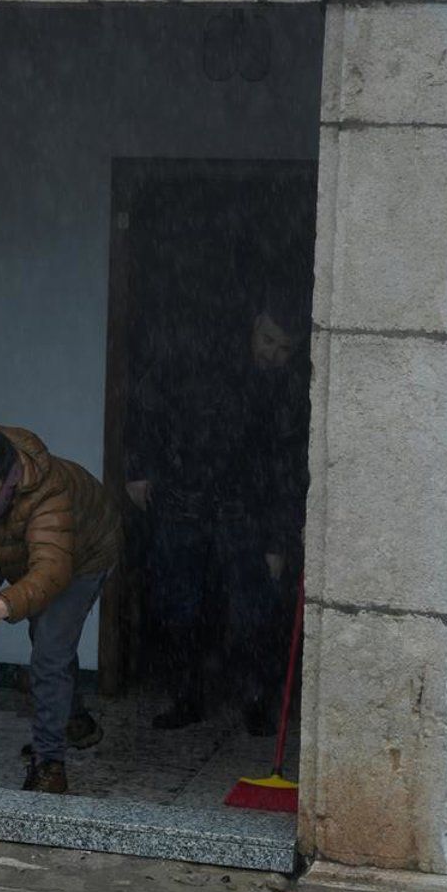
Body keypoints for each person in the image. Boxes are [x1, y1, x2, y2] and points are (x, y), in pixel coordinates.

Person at [125, 293, 310, 734]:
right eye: (268, 340)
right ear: (254, 325)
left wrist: (278, 541)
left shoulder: (290, 392)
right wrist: (139, 468)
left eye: (284, 349)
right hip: (182, 495)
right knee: (178, 605)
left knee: (255, 612)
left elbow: (286, 468)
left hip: (247, 512)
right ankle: (186, 697)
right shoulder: (201, 358)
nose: (272, 354)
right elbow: (150, 402)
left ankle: (257, 702)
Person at [0, 426, 120, 795]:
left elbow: (52, 570)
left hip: (84, 554)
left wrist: (3, 605)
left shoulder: (48, 490)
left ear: (10, 473)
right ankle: (75, 722)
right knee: (49, 642)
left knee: (50, 650)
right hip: (35, 561)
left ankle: (50, 766)